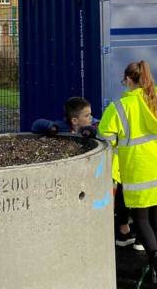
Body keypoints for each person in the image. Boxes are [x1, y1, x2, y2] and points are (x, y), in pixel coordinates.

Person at [98, 61, 157, 289]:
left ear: (128, 80)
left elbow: (105, 137)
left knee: (141, 219)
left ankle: (156, 258)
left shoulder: (119, 107)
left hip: (138, 170)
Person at [32, 99, 135, 247]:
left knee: (118, 191)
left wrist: (92, 130)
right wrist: (51, 128)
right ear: (74, 120)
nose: (91, 118)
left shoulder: (92, 126)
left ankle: (121, 228)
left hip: (95, 173)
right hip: (71, 175)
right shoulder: (62, 127)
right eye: (87, 115)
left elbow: (101, 126)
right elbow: (37, 124)